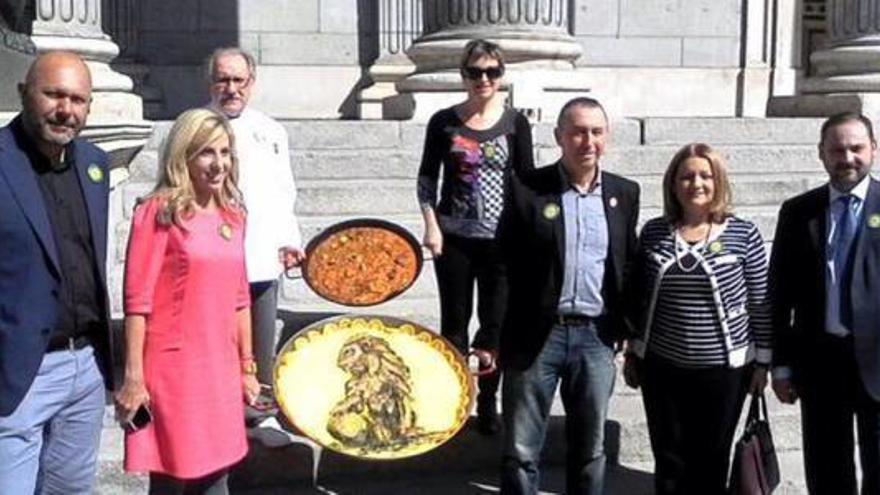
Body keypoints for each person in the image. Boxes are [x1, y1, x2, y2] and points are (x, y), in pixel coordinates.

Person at [497, 96, 639, 495]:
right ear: (560, 136)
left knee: (590, 448)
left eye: (596, 132)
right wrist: (494, 334)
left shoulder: (624, 194)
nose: (586, 141)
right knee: (522, 450)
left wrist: (628, 329)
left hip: (596, 337)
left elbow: (626, 264)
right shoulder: (527, 189)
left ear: (606, 137)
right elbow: (504, 265)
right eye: (577, 132)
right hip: (537, 336)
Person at [115, 108, 261, 493]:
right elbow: (137, 302)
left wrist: (247, 367)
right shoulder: (158, 213)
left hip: (220, 368)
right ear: (184, 156)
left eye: (225, 153)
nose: (219, 165)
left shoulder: (234, 216)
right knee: (172, 477)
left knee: (218, 476)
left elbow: (240, 298)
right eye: (207, 153)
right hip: (174, 372)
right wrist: (133, 377)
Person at [623, 143, 771, 494]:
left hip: (724, 370)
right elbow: (639, 296)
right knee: (669, 457)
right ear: (673, 184)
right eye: (687, 176)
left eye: (706, 175)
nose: (697, 183)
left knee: (711, 459)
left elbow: (761, 301)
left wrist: (763, 361)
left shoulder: (743, 234)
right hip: (662, 367)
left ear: (718, 181)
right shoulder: (655, 232)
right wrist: (632, 350)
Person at [0, 51, 113, 494]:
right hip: (18, 369)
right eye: (54, 95)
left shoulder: (95, 164)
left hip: (86, 366)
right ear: (24, 94)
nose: (66, 109)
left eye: (78, 100)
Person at [417, 39, 534, 434]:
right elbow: (427, 178)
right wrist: (431, 224)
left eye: (491, 72)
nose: (483, 80)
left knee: (494, 324)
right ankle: (454, 400)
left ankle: (487, 401)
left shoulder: (515, 123)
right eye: (475, 72)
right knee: (454, 321)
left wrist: (527, 231)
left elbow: (525, 179)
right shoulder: (443, 121)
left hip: (501, 241)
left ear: (501, 76)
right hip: (455, 239)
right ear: (463, 76)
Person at [770, 111, 880, 494]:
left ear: (874, 150)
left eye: (856, 148)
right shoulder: (799, 212)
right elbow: (780, 292)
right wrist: (780, 365)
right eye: (837, 149)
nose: (847, 157)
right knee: (826, 469)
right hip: (819, 362)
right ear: (821, 153)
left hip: (878, 362)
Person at [207, 47, 304, 401]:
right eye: (223, 79)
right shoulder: (195, 126)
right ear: (211, 83)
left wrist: (289, 238)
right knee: (217, 341)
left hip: (261, 253)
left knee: (260, 341)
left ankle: (259, 408)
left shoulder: (271, 131)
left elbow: (284, 190)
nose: (231, 88)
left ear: (252, 83)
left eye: (239, 80)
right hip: (211, 256)